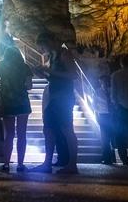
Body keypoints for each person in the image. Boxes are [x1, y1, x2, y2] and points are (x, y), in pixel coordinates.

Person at [30, 33, 78, 174]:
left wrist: (49, 70)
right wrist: (42, 74)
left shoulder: (65, 54)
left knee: (67, 129)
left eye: (43, 46)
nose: (42, 50)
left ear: (50, 42)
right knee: (48, 129)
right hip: (53, 97)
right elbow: (53, 78)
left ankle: (72, 165)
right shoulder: (52, 56)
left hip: (64, 97)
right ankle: (47, 163)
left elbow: (73, 75)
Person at [0, 47, 32, 172]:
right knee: (22, 134)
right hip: (22, 103)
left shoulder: (1, 65)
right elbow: (29, 86)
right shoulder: (25, 67)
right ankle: (20, 164)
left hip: (7, 102)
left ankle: (6, 164)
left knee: (9, 134)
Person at [97, 75, 127, 165]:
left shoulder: (113, 91)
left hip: (114, 115)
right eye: (103, 81)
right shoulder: (97, 92)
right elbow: (94, 104)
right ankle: (108, 159)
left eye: (106, 81)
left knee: (119, 137)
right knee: (105, 139)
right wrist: (99, 113)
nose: (105, 83)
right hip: (104, 115)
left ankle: (124, 159)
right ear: (100, 82)